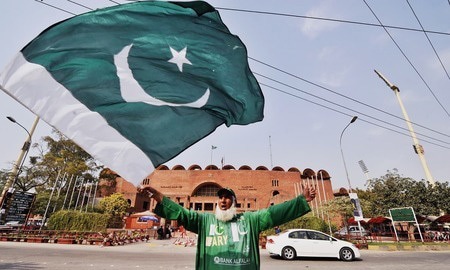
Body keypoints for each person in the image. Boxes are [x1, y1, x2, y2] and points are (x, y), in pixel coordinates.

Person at [139, 185, 316, 270]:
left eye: (227, 197)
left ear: (234, 202)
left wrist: (300, 201)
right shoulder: (205, 221)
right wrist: (157, 195)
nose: (223, 200)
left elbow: (274, 213)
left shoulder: (250, 220)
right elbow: (182, 213)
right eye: (220, 197)